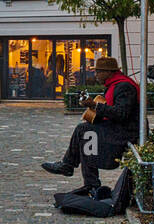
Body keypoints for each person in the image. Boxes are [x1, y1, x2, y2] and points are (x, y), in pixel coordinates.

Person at [41, 56, 140, 193]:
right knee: (86, 133)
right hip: (118, 128)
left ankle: (71, 167)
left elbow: (121, 113)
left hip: (125, 131)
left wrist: (95, 105)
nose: (96, 75)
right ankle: (86, 180)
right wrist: (93, 110)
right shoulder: (114, 85)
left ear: (108, 72)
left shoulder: (124, 87)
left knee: (84, 131)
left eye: (98, 72)